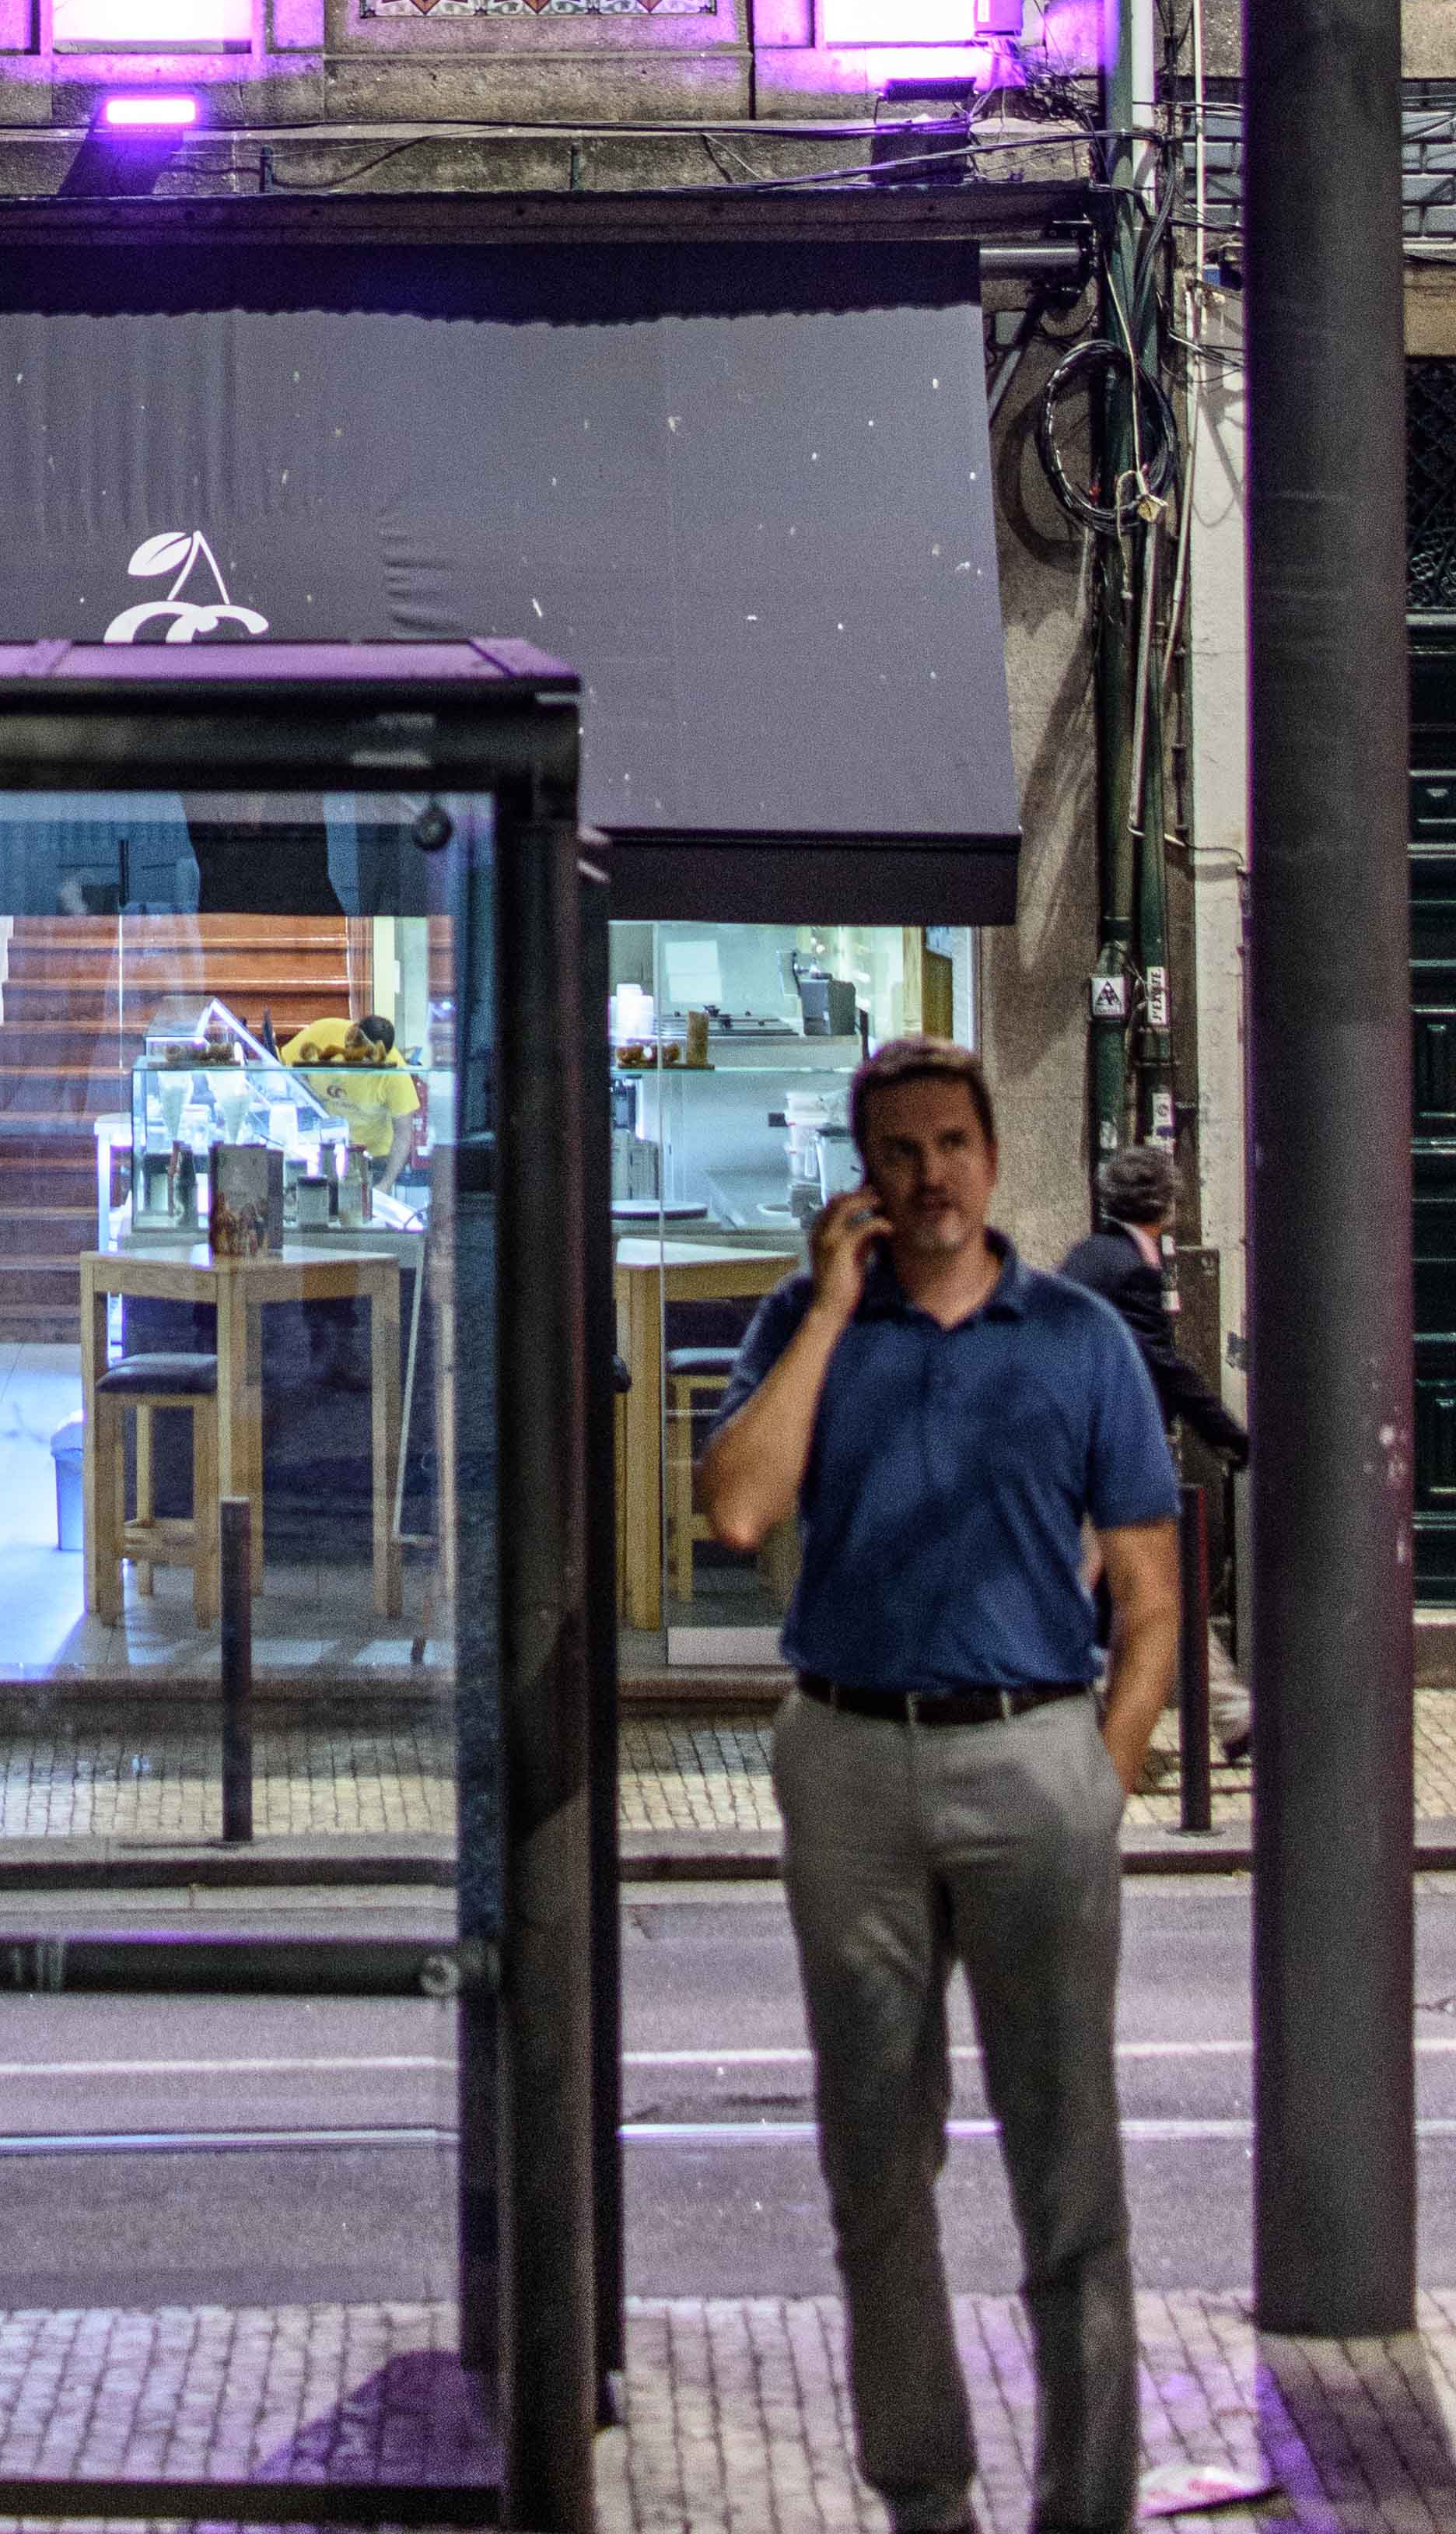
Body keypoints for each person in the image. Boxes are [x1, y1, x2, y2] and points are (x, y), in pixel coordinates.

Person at [697, 1036, 1178, 2534]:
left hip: (1033, 1752)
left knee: (1069, 2172)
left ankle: (1085, 2506)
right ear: (865, 1175)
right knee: (874, 2168)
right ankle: (926, 2498)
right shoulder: (802, 1323)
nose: (930, 1177)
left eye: (952, 1145)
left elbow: (1154, 1601)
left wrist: (1097, 1780)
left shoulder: (1078, 1340)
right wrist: (834, 1310)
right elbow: (737, 1511)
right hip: (850, 1759)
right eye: (899, 1153)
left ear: (993, 1157)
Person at [1059, 1143, 1251, 1764]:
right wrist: (1228, 1435)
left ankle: (1233, 1715)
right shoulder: (1128, 1270)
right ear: (1166, 1205)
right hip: (1105, 1457)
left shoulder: (1091, 1256)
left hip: (1083, 1449)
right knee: (1125, 1587)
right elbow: (1161, 1364)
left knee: (1145, 1588)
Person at [282, 1008, 422, 1176]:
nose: (364, 1066)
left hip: (371, 1157)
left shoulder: (395, 1071)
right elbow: (285, 1067)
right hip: (321, 1147)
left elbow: (403, 1134)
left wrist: (384, 1184)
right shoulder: (324, 1031)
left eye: (371, 1061)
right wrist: (311, 1099)